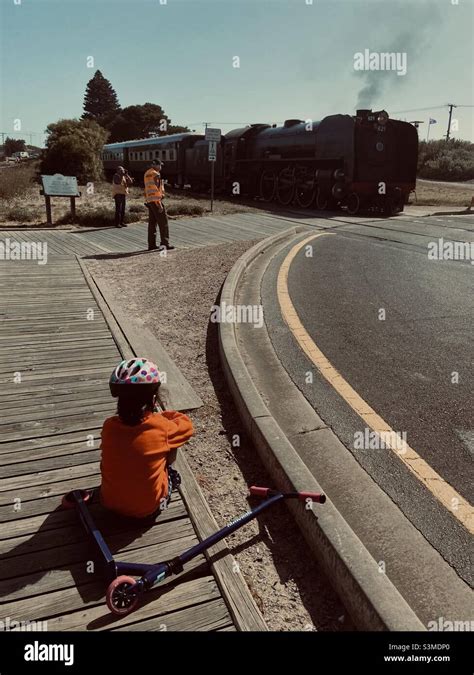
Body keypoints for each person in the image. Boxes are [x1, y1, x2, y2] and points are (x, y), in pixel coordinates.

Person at [100, 358, 193, 519]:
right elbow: (187, 426)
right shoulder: (161, 427)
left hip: (109, 503)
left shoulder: (109, 426)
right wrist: (162, 415)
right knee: (172, 445)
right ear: (153, 397)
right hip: (146, 510)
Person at [144, 160, 174, 251]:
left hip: (150, 200)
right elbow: (156, 189)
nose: (161, 167)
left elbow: (147, 188)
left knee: (152, 223)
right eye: (160, 165)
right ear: (156, 165)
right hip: (156, 201)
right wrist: (159, 204)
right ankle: (165, 244)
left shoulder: (147, 173)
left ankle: (151, 244)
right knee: (163, 222)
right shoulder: (156, 174)